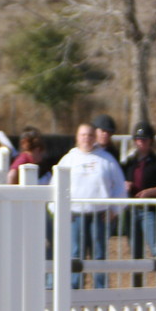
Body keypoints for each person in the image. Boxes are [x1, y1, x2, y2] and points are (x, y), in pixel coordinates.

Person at [56, 123, 125, 289]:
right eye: (83, 135)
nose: (86, 138)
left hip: (99, 215)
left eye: (89, 135)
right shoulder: (68, 159)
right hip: (75, 216)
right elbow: (56, 186)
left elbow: (119, 186)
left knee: (98, 255)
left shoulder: (106, 159)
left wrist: (115, 210)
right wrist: (61, 211)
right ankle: (73, 291)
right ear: (77, 138)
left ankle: (100, 291)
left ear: (95, 138)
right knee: (75, 254)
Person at [122, 122, 156, 287]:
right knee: (135, 251)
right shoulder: (129, 162)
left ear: (151, 141)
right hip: (132, 210)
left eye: (144, 139)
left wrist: (150, 192)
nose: (140, 142)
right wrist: (125, 184)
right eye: (138, 139)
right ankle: (136, 287)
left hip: (149, 210)